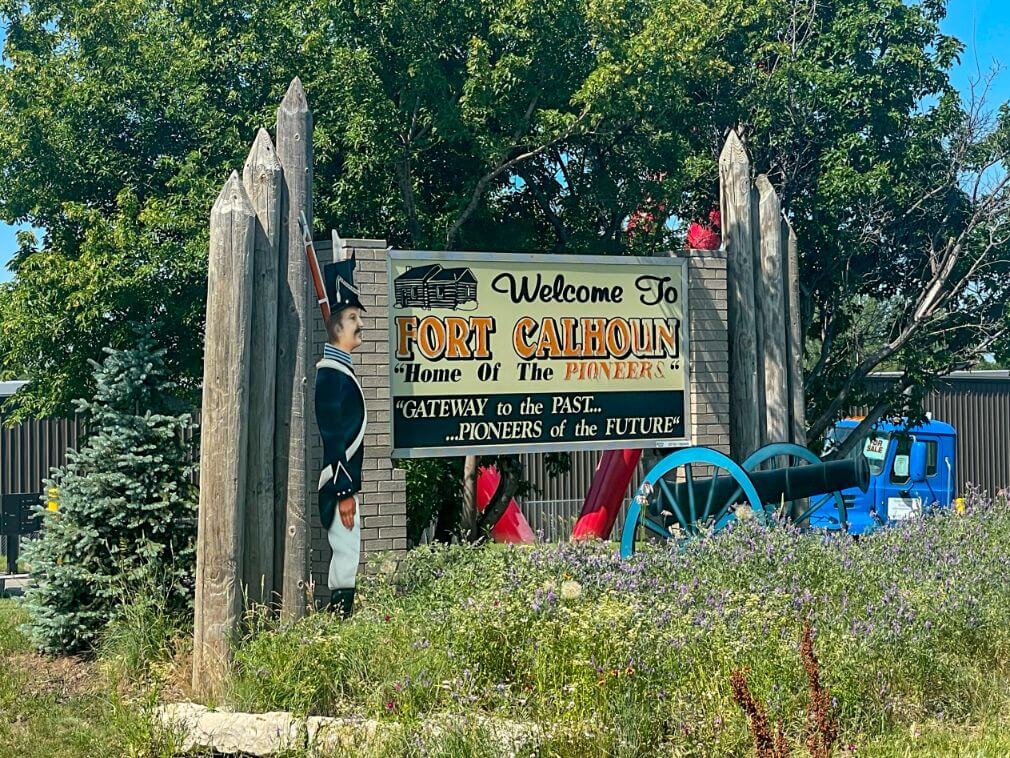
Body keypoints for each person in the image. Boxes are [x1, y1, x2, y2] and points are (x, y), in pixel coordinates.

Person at [314, 253, 366, 617]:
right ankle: (338, 624)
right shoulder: (331, 375)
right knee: (346, 556)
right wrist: (345, 491)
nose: (359, 324)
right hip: (337, 482)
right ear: (336, 327)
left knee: (349, 553)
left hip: (342, 481)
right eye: (352, 319)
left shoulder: (339, 372)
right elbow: (334, 436)